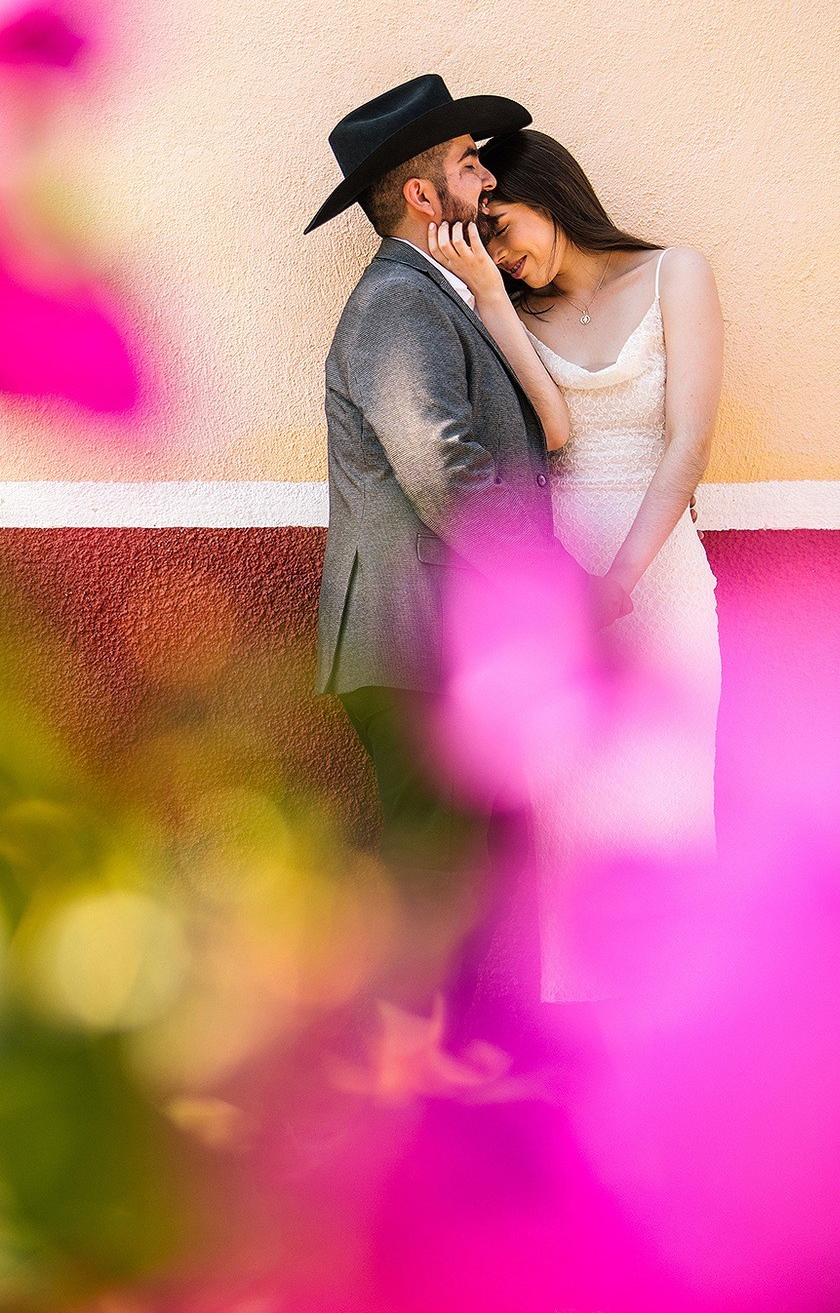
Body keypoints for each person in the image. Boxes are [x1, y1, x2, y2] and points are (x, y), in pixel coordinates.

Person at [429, 128, 724, 1003]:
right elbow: (554, 428)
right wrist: (488, 297)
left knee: (669, 793)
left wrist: (623, 581)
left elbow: (689, 442)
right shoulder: (515, 307)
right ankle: (581, 1028)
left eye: (503, 227)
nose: (504, 256)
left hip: (658, 569)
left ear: (551, 194)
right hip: (560, 576)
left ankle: (679, 1013)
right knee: (571, 813)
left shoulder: (677, 274)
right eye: (485, 249)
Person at [306, 75, 568, 1054]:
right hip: (412, 639)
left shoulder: (430, 297)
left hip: (436, 640)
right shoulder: (397, 304)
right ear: (423, 196)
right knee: (433, 879)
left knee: (467, 879)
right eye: (466, 164)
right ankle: (416, 1101)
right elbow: (446, 472)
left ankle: (462, 1085)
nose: (484, 178)